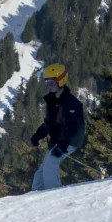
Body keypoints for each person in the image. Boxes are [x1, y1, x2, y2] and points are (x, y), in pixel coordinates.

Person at [29, 63, 86, 192]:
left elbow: (71, 128)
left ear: (61, 80)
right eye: (47, 83)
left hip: (70, 139)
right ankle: (35, 197)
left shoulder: (71, 103)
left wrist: (62, 146)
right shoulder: (52, 100)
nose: (49, 86)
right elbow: (50, 122)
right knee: (41, 172)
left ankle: (55, 195)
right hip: (58, 138)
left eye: (52, 83)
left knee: (51, 165)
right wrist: (38, 135)